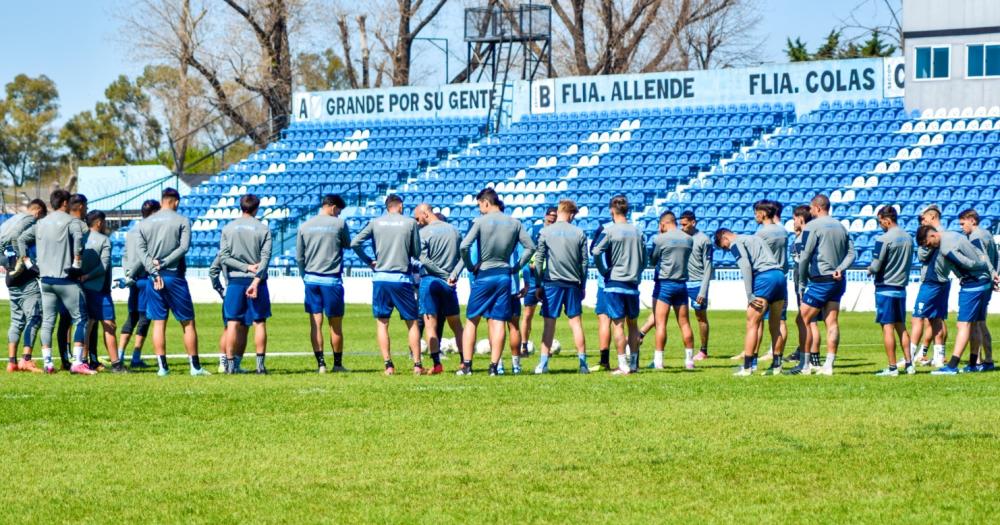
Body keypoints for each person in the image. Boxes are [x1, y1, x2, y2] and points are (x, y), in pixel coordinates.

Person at [454, 188, 535, 376]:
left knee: (472, 319)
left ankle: (467, 365)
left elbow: (464, 246)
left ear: (486, 203)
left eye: (480, 206)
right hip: (504, 276)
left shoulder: (480, 222)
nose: (479, 209)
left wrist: (470, 266)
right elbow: (530, 247)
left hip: (484, 274)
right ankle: (494, 367)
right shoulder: (515, 223)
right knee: (499, 320)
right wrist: (516, 268)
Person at [135, 187, 209, 377]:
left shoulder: (144, 223)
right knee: (188, 323)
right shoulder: (182, 220)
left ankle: (162, 367)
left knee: (159, 323)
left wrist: (153, 270)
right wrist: (165, 263)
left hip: (153, 278)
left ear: (162, 201)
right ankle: (195, 367)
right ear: (175, 201)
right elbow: (184, 247)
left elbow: (141, 253)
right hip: (174, 276)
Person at [17, 190, 91, 375]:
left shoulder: (41, 223)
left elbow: (20, 239)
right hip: (66, 279)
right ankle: (78, 362)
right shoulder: (72, 221)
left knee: (48, 321)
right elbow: (80, 238)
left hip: (46, 280)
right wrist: (77, 263)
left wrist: (28, 263)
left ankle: (48, 363)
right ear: (65, 203)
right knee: (81, 318)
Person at [351, 194, 423, 375]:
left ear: (387, 207)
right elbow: (416, 251)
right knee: (412, 322)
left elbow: (355, 242)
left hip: (381, 278)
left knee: (382, 322)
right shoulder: (409, 223)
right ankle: (417, 365)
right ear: (400, 206)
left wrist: (369, 261)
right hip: (401, 278)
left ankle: (388, 365)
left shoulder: (376, 222)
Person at [918, 226, 996, 375]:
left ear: (933, 235)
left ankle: (952, 365)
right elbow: (980, 252)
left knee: (963, 324)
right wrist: (990, 271)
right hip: (984, 282)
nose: (928, 247)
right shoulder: (953, 234)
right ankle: (973, 364)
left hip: (973, 284)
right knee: (974, 324)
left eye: (927, 243)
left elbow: (966, 263)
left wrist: (981, 267)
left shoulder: (946, 247)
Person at [792, 194, 855, 376]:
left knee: (802, 319)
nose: (810, 212)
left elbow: (804, 256)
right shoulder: (841, 226)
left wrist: (802, 283)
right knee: (831, 322)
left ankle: (804, 364)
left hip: (820, 279)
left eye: (811, 209)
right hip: (838, 280)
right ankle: (828, 365)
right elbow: (852, 254)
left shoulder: (812, 226)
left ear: (818, 208)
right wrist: (840, 268)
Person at [714, 228, 787, 376]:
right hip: (779, 276)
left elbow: (746, 266)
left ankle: (747, 368)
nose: (727, 250)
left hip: (764, 277)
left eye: (724, 247)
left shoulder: (736, 243)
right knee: (776, 324)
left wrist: (749, 294)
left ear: (724, 237)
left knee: (752, 323)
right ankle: (777, 366)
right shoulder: (755, 238)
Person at [297, 194, 352, 374]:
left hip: (311, 279)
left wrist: (304, 275)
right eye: (338, 211)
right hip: (331, 279)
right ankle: (337, 364)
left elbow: (300, 257)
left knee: (315, 323)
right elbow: (347, 244)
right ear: (332, 207)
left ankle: (321, 364)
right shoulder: (339, 224)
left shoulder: (304, 226)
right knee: (335, 325)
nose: (338, 215)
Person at [533, 199, 589, 374]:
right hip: (573, 283)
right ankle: (582, 364)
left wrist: (538, 284)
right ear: (571, 213)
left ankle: (543, 364)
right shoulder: (580, 233)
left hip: (552, 283)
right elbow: (584, 263)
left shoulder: (545, 232)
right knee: (576, 323)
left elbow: (538, 260)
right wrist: (583, 284)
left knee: (549, 324)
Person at [591, 195, 645, 375]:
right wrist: (638, 270)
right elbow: (645, 258)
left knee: (618, 325)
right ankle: (635, 364)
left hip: (615, 282)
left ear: (612, 210)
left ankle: (622, 364)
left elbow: (596, 251)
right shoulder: (638, 231)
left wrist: (604, 270)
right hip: (632, 283)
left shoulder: (610, 230)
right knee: (633, 325)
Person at [218, 194, 272, 374]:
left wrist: (244, 267)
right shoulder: (263, 229)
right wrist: (255, 278)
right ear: (257, 208)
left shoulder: (228, 228)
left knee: (232, 323)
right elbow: (265, 259)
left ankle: (231, 366)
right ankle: (260, 366)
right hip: (257, 280)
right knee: (259, 322)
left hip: (235, 280)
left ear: (241, 207)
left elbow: (224, 258)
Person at [413, 203, 464, 375]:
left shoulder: (423, 233)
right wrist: (453, 274)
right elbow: (463, 256)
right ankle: (465, 361)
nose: (417, 221)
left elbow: (424, 260)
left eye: (417, 217)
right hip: (449, 282)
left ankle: (437, 364)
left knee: (430, 325)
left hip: (430, 282)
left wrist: (442, 274)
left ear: (425, 213)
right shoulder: (454, 230)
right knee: (456, 324)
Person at [867, 206, 914, 376]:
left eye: (880, 221)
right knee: (901, 326)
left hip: (885, 287)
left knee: (887, 327)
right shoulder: (909, 238)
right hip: (901, 288)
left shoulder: (884, 239)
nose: (880, 225)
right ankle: (910, 364)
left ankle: (893, 367)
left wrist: (870, 270)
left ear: (886, 220)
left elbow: (876, 264)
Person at [648, 211, 696, 370]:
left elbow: (653, 259)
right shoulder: (689, 239)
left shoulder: (660, 239)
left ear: (663, 224)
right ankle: (689, 360)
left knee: (661, 324)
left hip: (665, 283)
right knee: (685, 323)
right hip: (681, 283)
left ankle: (659, 361)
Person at [80, 210, 126, 373]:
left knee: (88, 325)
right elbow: (104, 266)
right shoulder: (104, 240)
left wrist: (82, 277)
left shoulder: (80, 238)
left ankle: (82, 361)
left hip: (83, 288)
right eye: (104, 222)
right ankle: (116, 364)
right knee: (109, 324)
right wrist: (88, 276)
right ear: (99, 222)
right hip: (100, 289)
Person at [117, 199, 160, 369]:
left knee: (132, 316)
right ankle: (135, 356)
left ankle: (119, 355)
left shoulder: (132, 231)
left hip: (132, 279)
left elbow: (125, 255)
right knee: (144, 319)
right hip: (142, 279)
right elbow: (144, 258)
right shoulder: (150, 232)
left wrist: (127, 274)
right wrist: (134, 274)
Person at [5, 200, 47, 373]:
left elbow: (6, 241)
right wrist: (25, 262)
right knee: (36, 316)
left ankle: (11, 362)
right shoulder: (29, 220)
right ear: (38, 212)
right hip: (24, 277)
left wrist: (7, 261)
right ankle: (26, 360)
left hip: (10, 276)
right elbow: (18, 238)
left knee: (16, 320)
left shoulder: (12, 220)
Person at [750, 200, 789, 369]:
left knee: (755, 321)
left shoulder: (761, 234)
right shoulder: (783, 231)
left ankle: (752, 361)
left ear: (763, 213)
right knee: (779, 321)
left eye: (756, 212)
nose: (754, 216)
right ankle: (777, 361)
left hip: (764, 278)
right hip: (781, 277)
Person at [958, 208, 998, 371]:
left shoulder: (974, 236)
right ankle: (987, 359)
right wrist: (995, 274)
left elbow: (984, 258)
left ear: (972, 220)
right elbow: (996, 256)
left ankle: (979, 360)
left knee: (975, 323)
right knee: (981, 322)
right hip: (988, 281)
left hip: (980, 281)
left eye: (963, 223)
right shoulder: (987, 234)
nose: (961, 227)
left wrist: (992, 274)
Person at [911, 205, 949, 367]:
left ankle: (909, 356)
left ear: (932, 218)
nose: (922, 223)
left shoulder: (934, 235)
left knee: (917, 317)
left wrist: (924, 243)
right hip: (942, 281)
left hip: (932, 281)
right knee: (936, 319)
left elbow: (922, 255)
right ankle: (939, 356)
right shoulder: (946, 235)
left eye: (924, 219)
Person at [519, 206, 557, 356]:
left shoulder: (557, 232)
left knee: (548, 316)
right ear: (545, 216)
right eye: (551, 216)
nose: (552, 219)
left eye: (555, 216)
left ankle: (546, 348)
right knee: (528, 313)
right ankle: (523, 346)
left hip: (550, 279)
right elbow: (526, 251)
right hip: (534, 278)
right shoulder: (534, 230)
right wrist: (528, 268)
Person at [680, 210, 712, 361]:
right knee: (680, 317)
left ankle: (703, 350)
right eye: (681, 224)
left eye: (685, 224)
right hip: (681, 282)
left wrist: (703, 291)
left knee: (700, 317)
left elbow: (708, 267)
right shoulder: (680, 237)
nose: (682, 227)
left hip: (697, 283)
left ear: (693, 222)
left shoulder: (704, 240)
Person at [789, 205, 818, 363]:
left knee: (807, 319)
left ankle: (808, 356)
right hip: (804, 277)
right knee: (809, 319)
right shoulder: (803, 235)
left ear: (801, 219)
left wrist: (802, 283)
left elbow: (802, 261)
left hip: (804, 278)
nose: (793, 222)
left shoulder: (805, 237)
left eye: (794, 219)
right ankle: (810, 355)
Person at [1, 199, 47, 277]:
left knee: (15, 287)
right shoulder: (31, 218)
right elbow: (15, 237)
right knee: (32, 282)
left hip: (3, 255)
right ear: (38, 212)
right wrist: (21, 259)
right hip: (9, 257)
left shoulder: (16, 217)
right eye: (41, 218)